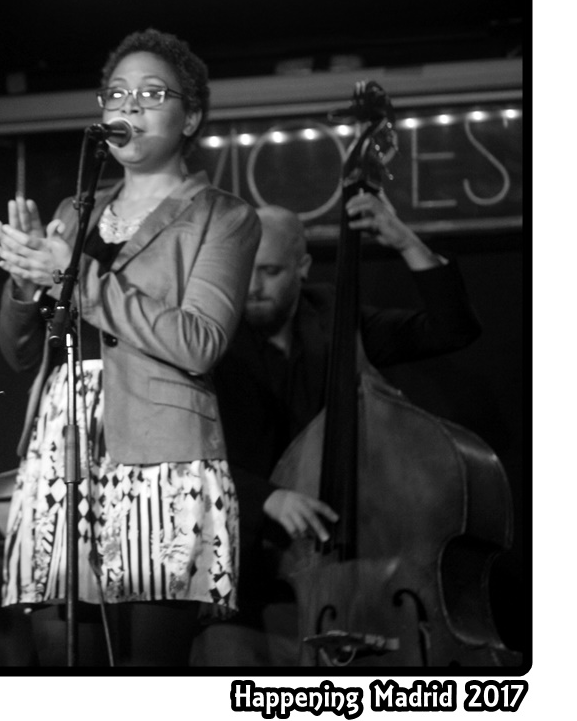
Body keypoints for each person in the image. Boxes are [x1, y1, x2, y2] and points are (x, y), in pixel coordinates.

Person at [0, 28, 261, 666]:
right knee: (61, 657)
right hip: (62, 441)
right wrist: (25, 283)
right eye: (116, 93)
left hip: (162, 453)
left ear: (190, 117)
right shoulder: (74, 211)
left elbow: (200, 343)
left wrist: (75, 275)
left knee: (148, 669)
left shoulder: (222, 216)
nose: (130, 105)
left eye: (152, 93)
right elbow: (20, 352)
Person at [189, 199, 482, 665]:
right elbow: (188, 453)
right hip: (246, 573)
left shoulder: (336, 318)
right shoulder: (205, 337)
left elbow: (452, 330)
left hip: (352, 565)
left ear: (302, 267)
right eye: (244, 271)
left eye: (270, 271)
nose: (253, 287)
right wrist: (268, 498)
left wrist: (406, 243)